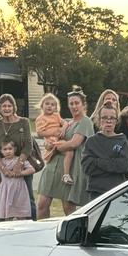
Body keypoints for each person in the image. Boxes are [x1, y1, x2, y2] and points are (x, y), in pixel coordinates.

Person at [37, 88, 94, 218]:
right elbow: (49, 136)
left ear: (83, 105)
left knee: (68, 207)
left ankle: (74, 236)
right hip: (53, 165)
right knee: (42, 204)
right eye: (71, 103)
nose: (74, 106)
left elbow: (74, 143)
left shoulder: (85, 121)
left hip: (70, 168)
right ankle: (42, 234)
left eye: (76, 103)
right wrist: (48, 144)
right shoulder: (67, 122)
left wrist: (55, 147)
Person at [81, 104, 128, 200]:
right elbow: (87, 167)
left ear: (116, 121)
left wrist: (97, 161)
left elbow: (124, 165)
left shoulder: (122, 141)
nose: (108, 121)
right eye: (105, 117)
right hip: (95, 192)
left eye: (112, 118)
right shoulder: (91, 141)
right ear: (99, 119)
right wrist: (112, 163)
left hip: (116, 192)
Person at [0, 93, 36, 218]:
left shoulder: (23, 122)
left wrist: (19, 164)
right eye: (4, 106)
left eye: (9, 106)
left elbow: (29, 145)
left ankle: (32, 225)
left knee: (28, 198)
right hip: (4, 167)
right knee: (2, 198)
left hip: (23, 164)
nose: (7, 108)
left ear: (14, 107)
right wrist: (3, 169)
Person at [35, 94, 74, 182]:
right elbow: (40, 133)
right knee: (69, 151)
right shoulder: (40, 118)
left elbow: (65, 123)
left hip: (59, 140)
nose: (50, 106)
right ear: (42, 106)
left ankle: (66, 174)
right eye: (47, 104)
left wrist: (63, 129)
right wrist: (54, 132)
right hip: (51, 142)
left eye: (52, 105)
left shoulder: (56, 116)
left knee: (70, 152)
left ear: (56, 108)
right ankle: (66, 175)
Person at [0, 140, 34, 220]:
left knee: (20, 210)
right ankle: (8, 225)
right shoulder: (1, 162)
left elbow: (32, 169)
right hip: (6, 189)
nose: (8, 151)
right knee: (7, 212)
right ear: (1, 151)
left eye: (10, 149)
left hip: (19, 188)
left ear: (15, 149)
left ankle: (22, 225)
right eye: (5, 149)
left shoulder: (19, 160)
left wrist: (21, 173)